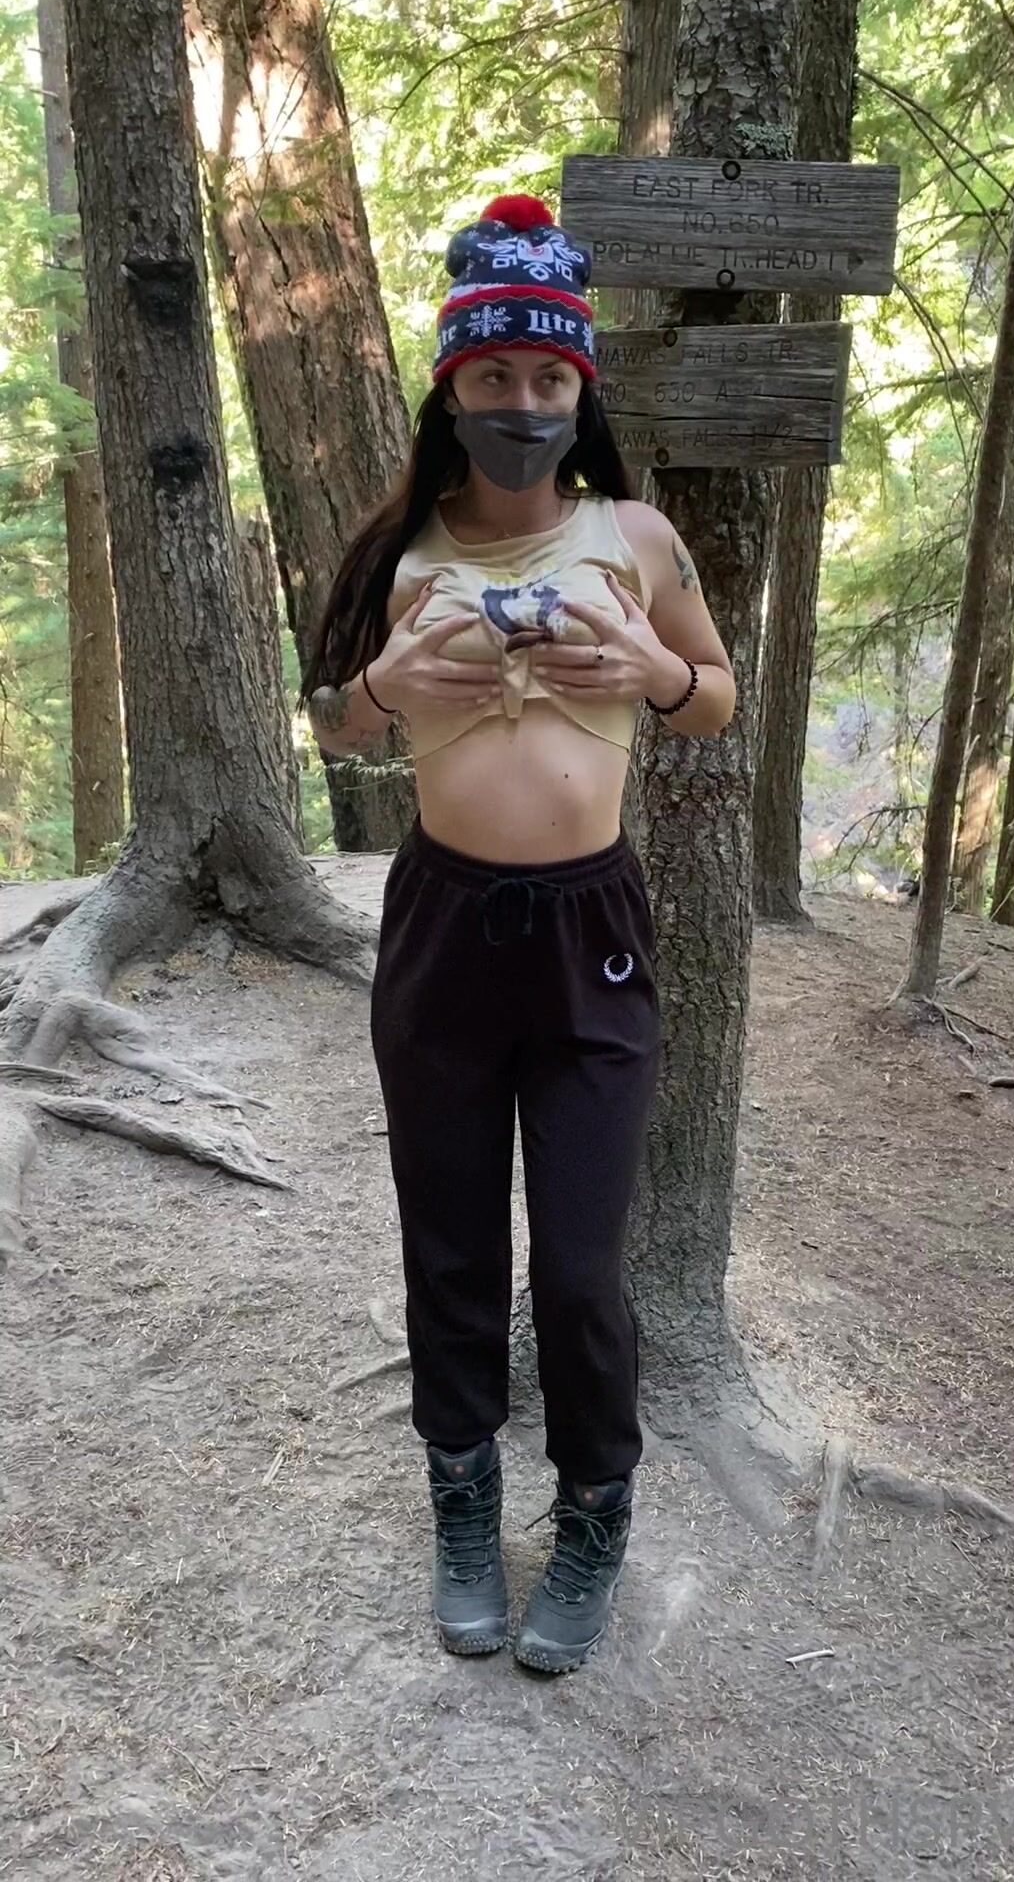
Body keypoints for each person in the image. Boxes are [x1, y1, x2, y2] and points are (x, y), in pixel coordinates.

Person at [300, 194, 735, 1674]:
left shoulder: (637, 536)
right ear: (452, 387)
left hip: (592, 929)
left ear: (580, 389)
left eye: (551, 378)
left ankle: (597, 1509)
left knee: (582, 1265)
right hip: (441, 926)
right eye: (495, 376)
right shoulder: (400, 551)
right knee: (450, 1241)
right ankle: (465, 1501)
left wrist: (652, 668)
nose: (525, 404)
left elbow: (717, 699)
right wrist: (386, 692)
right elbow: (331, 724)